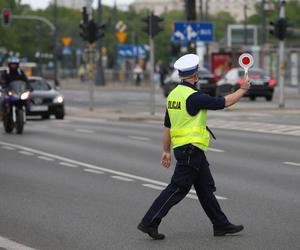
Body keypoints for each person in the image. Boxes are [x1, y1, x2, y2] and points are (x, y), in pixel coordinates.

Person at [137, 54, 250, 240]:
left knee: (205, 188)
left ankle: (220, 225)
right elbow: (224, 102)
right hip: (190, 150)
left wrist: (166, 150)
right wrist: (243, 89)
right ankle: (149, 222)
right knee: (177, 188)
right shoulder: (194, 97)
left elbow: (167, 126)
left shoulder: (173, 95)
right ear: (195, 76)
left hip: (186, 150)